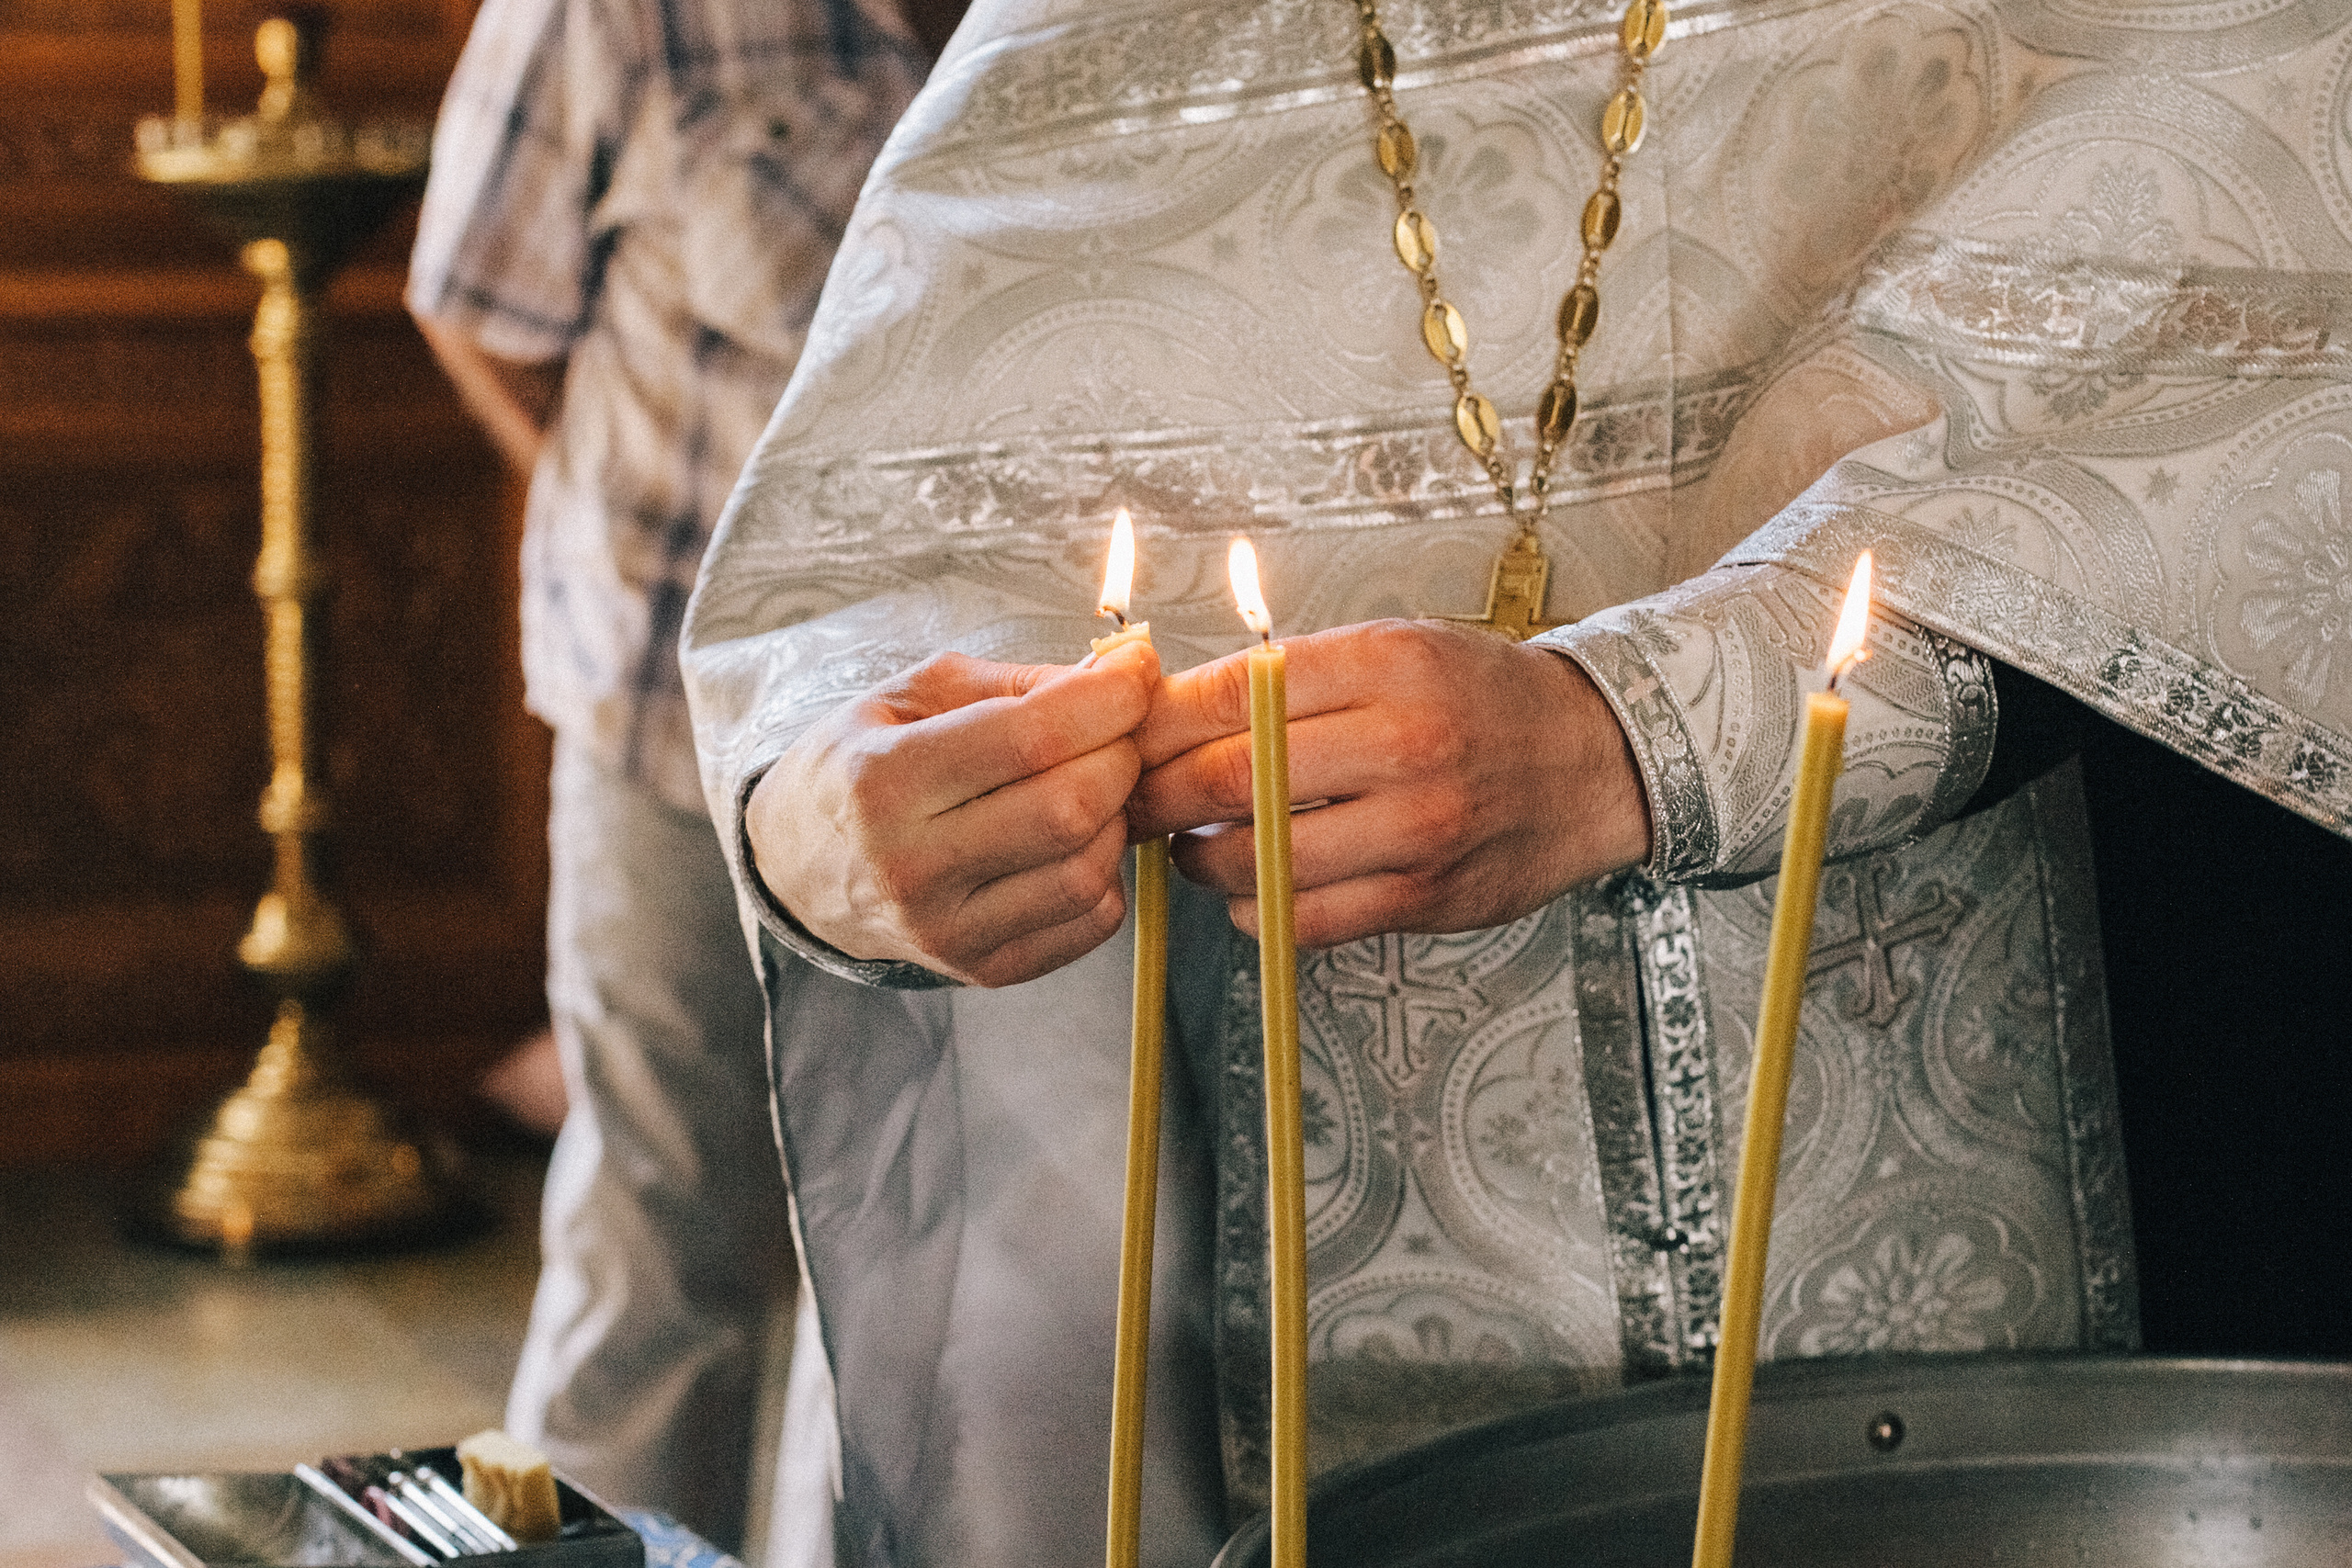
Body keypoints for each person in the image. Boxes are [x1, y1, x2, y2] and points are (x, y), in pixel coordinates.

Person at [680, 0, 2352, 1561]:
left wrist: (1632, 728)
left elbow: (2243, 407)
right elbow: (868, 577)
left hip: (1996, 1212)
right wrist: (829, 822)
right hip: (1275, 1291)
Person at [404, 0, 953, 1546]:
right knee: (660, 1221)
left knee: (908, 1256)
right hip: (666, 714)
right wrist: (612, 528)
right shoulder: (603, 13)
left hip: (947, 742)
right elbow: (469, 299)